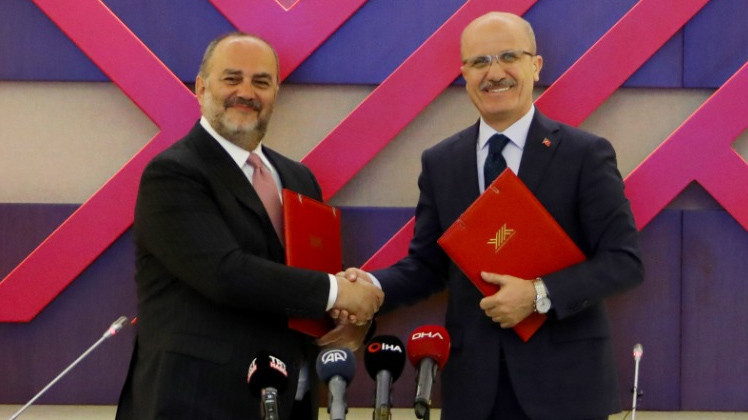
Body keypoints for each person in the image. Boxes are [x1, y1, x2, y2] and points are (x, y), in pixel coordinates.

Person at [337, 11, 643, 420]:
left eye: (508, 57)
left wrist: (538, 295)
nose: (494, 73)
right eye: (479, 62)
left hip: (566, 388)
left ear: (536, 66)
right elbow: (428, 267)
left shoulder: (584, 154)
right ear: (464, 74)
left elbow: (623, 261)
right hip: (474, 390)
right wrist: (369, 288)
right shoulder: (441, 162)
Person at [115, 32, 383, 420]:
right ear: (201, 88)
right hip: (195, 403)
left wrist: (350, 317)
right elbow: (225, 273)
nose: (246, 92)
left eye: (261, 82)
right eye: (232, 79)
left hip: (290, 398)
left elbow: (308, 278)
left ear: (275, 93)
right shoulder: (173, 173)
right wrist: (336, 292)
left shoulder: (299, 178)